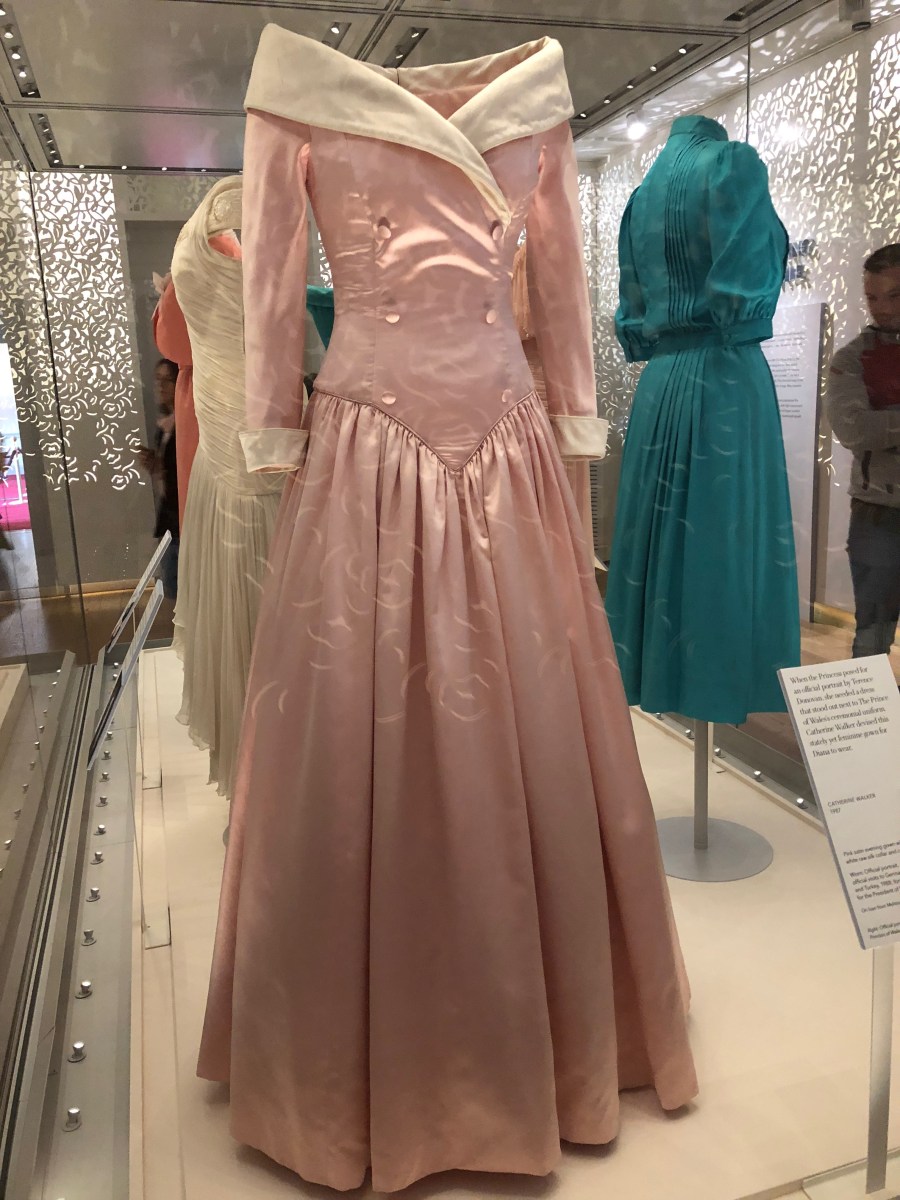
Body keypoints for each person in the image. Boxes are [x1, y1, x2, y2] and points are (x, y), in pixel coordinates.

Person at [827, 243, 900, 657]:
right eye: (873, 297)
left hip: (877, 515)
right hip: (879, 515)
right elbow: (854, 429)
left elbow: (871, 426)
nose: (882, 308)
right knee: (872, 639)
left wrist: (886, 418)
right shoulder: (853, 357)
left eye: (894, 295)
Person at [138, 358, 180, 601]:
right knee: (174, 593)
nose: (161, 387)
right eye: (158, 380)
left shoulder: (185, 425)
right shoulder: (164, 426)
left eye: (168, 380)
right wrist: (155, 464)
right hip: (169, 521)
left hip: (183, 522)